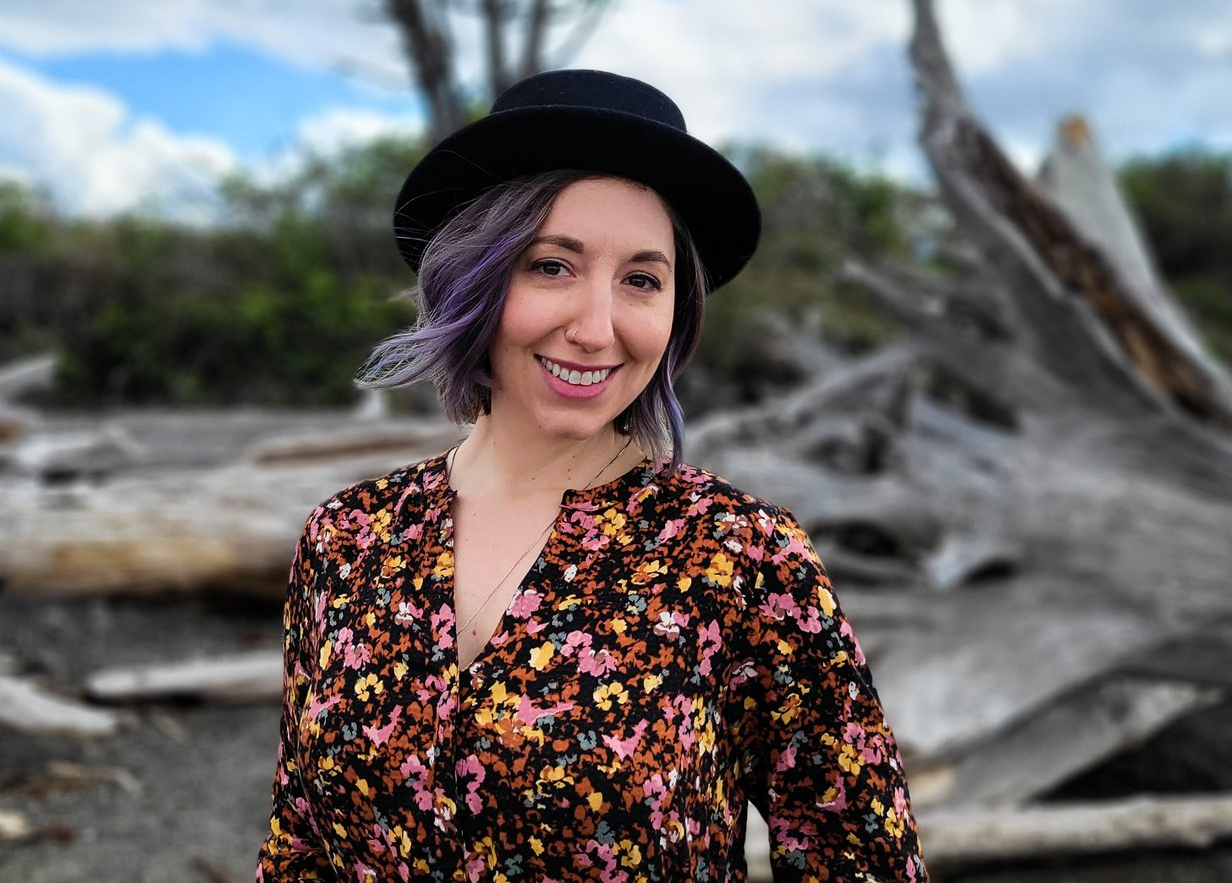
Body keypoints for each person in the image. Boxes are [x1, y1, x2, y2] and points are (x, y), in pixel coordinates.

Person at [255, 70, 926, 882]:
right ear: (474, 277)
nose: (597, 328)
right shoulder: (348, 537)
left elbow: (857, 859)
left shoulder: (737, 556)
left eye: (641, 280)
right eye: (551, 266)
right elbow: (298, 838)